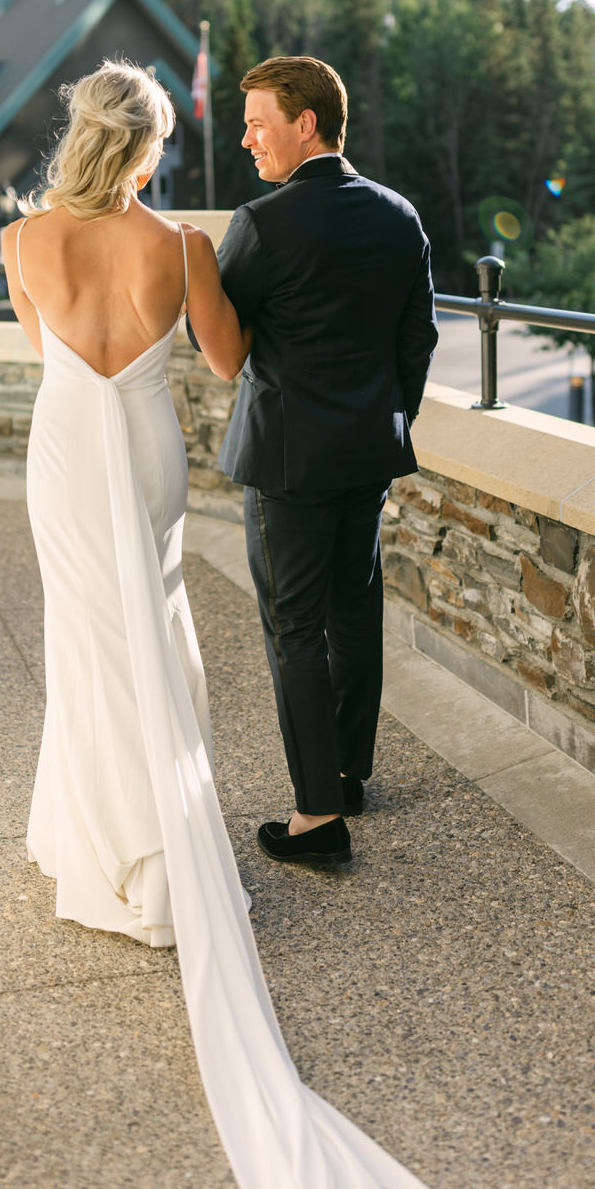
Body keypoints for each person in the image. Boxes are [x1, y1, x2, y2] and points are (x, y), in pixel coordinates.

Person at [3, 59, 432, 1189]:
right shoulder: (185, 246)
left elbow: (42, 355)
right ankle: (212, 829)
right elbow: (230, 358)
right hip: (148, 452)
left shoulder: (19, 245)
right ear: (147, 147)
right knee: (164, 621)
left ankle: (106, 852)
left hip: (63, 455)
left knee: (84, 640)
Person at [191, 56, 438, 866]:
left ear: (307, 124)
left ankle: (316, 820)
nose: (247, 137)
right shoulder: (401, 216)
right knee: (353, 610)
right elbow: (417, 344)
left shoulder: (263, 223)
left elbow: (225, 349)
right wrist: (380, 417)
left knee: (294, 627)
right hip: (368, 450)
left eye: (260, 122)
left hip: (289, 463)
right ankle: (346, 776)